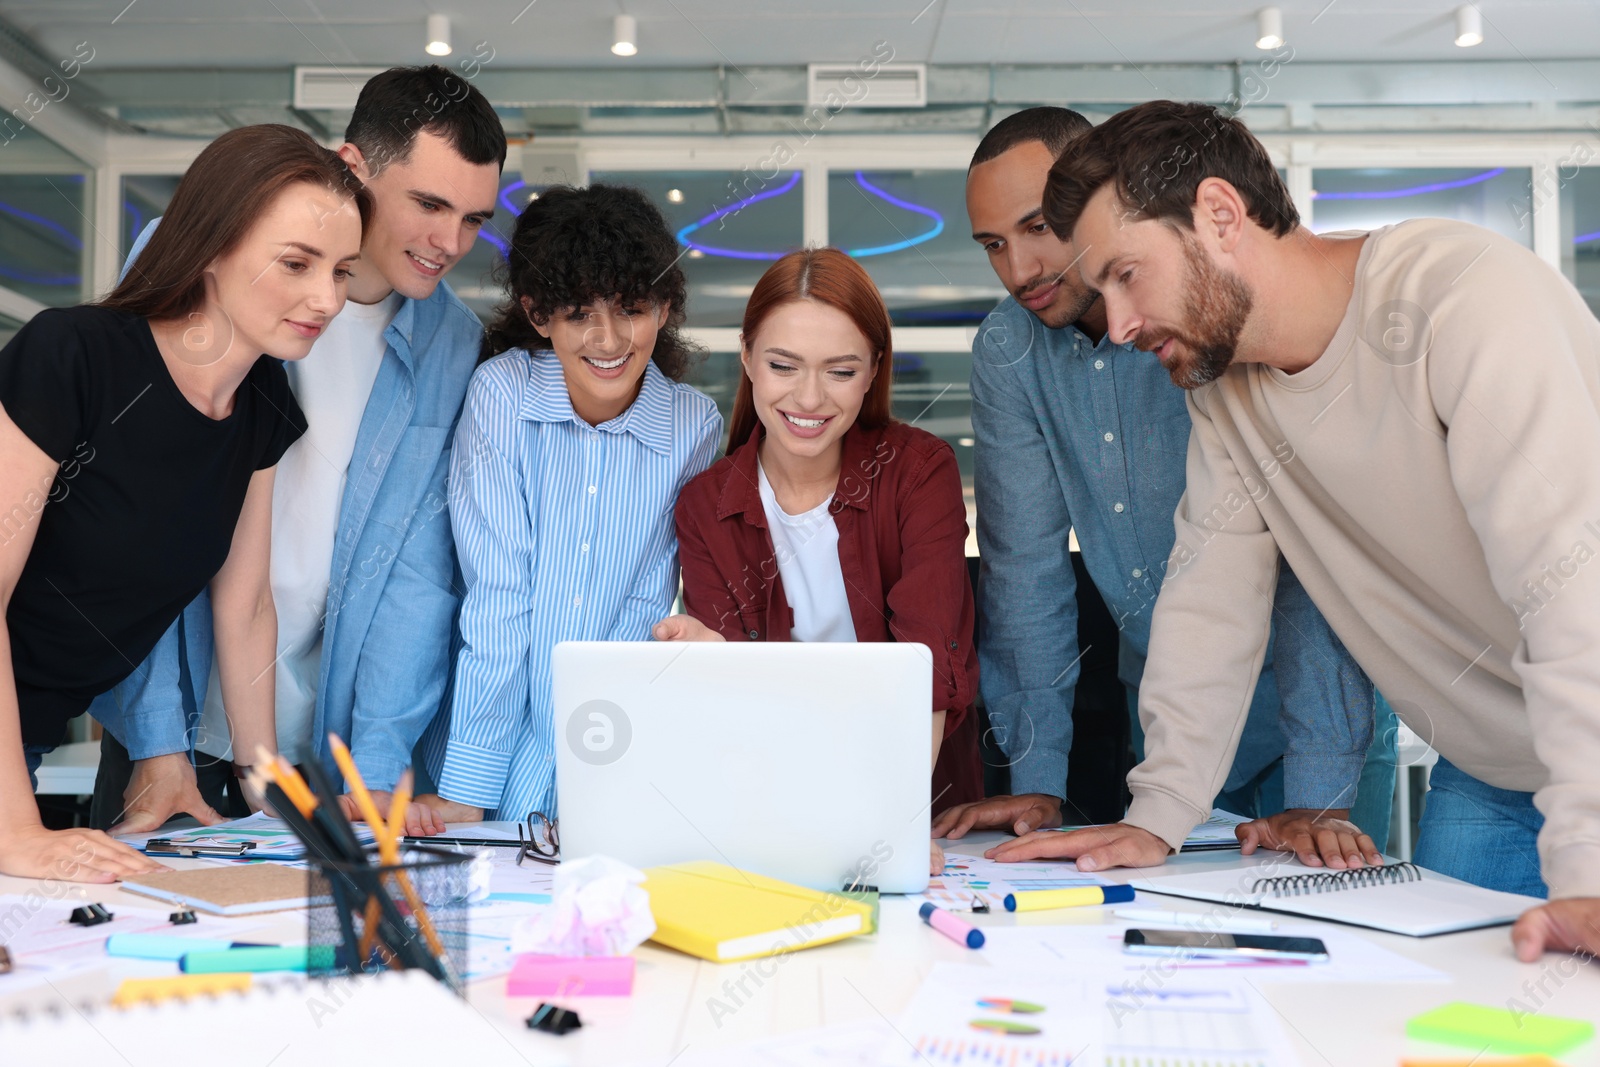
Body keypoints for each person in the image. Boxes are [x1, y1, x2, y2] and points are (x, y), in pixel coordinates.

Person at [1028, 98, 1600, 961]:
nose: (1117, 325)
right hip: (1492, 769)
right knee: (1452, 1017)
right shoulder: (1226, 390)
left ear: (1219, 215)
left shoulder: (1464, 302)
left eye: (1126, 274)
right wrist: (1158, 816)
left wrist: (1587, 861)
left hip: (1586, 744)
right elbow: (1208, 597)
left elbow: (1573, 590)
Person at [935, 107, 1395, 870]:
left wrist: (1320, 788)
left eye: (1039, 227)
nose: (1019, 270)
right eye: (993, 245)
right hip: (1169, 721)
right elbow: (1026, 570)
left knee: (1327, 955)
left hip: (1318, 715)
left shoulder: (1213, 307)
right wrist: (1038, 777)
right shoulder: (1008, 349)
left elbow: (1312, 561)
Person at [90, 65, 505, 839]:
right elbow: (130, 513)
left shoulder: (453, 344)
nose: (451, 243)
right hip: (168, 723)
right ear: (352, 168)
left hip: (314, 747)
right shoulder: (196, 262)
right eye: (428, 204)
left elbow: (420, 577)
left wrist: (374, 772)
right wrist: (156, 739)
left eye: (475, 219)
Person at [0, 123, 368, 880]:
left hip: (24, 738)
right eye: (297, 263)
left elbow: (245, 604)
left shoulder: (261, 399)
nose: (326, 297)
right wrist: (14, 828)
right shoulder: (73, 356)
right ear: (210, 245)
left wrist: (266, 782)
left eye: (342, 271)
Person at [653, 247, 982, 876]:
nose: (808, 397)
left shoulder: (918, 472)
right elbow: (746, 702)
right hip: (770, 811)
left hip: (918, 808)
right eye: (783, 365)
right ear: (747, 357)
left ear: (872, 371)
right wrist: (708, 661)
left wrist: (890, 825)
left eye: (840, 370)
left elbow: (929, 667)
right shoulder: (705, 504)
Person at [416, 184, 723, 825]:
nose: (608, 340)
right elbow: (499, 599)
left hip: (609, 752)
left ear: (664, 309)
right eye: (579, 313)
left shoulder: (693, 426)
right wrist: (472, 784)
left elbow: (644, 604)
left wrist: (590, 762)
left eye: (631, 309)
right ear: (538, 316)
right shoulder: (501, 396)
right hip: (481, 745)